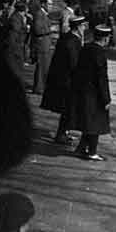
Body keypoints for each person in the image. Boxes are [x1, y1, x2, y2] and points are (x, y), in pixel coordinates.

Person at [41, 15, 87, 144]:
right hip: (68, 81)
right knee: (68, 109)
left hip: (61, 78)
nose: (84, 28)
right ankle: (61, 135)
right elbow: (74, 63)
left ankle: (63, 133)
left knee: (67, 109)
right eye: (83, 26)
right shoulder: (73, 41)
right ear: (77, 27)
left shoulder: (66, 37)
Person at [71, 25, 113, 161]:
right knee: (96, 123)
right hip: (95, 94)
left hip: (83, 90)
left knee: (88, 122)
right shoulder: (100, 53)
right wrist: (106, 99)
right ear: (105, 39)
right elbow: (102, 78)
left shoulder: (86, 48)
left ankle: (81, 148)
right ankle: (92, 152)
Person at [31, 0, 53, 95]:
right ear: (43, 4)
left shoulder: (45, 14)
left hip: (45, 44)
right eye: (49, 4)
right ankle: (38, 88)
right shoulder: (39, 14)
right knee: (41, 68)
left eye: (51, 4)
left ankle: (41, 87)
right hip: (41, 45)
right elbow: (38, 29)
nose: (51, 6)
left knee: (45, 67)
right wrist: (50, 29)